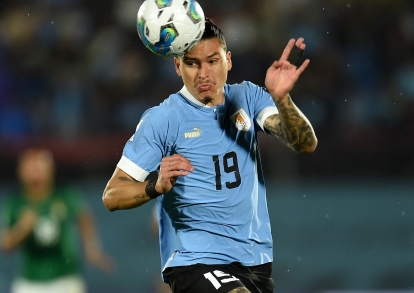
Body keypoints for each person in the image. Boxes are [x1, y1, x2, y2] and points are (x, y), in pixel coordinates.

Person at [102, 18, 317, 293]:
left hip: (255, 261)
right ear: (178, 66)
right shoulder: (163, 119)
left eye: (212, 61)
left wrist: (282, 98)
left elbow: (304, 144)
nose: (204, 73)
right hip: (195, 263)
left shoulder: (247, 97)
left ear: (228, 60)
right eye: (193, 63)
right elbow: (112, 195)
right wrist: (154, 186)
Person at [0, 148, 115, 293]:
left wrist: (91, 248)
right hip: (30, 281)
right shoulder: (14, 203)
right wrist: (21, 230)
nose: (36, 172)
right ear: (20, 171)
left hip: (65, 278)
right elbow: (4, 245)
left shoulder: (65, 195)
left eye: (39, 166)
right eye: (30, 167)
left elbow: (84, 217)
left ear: (51, 169)